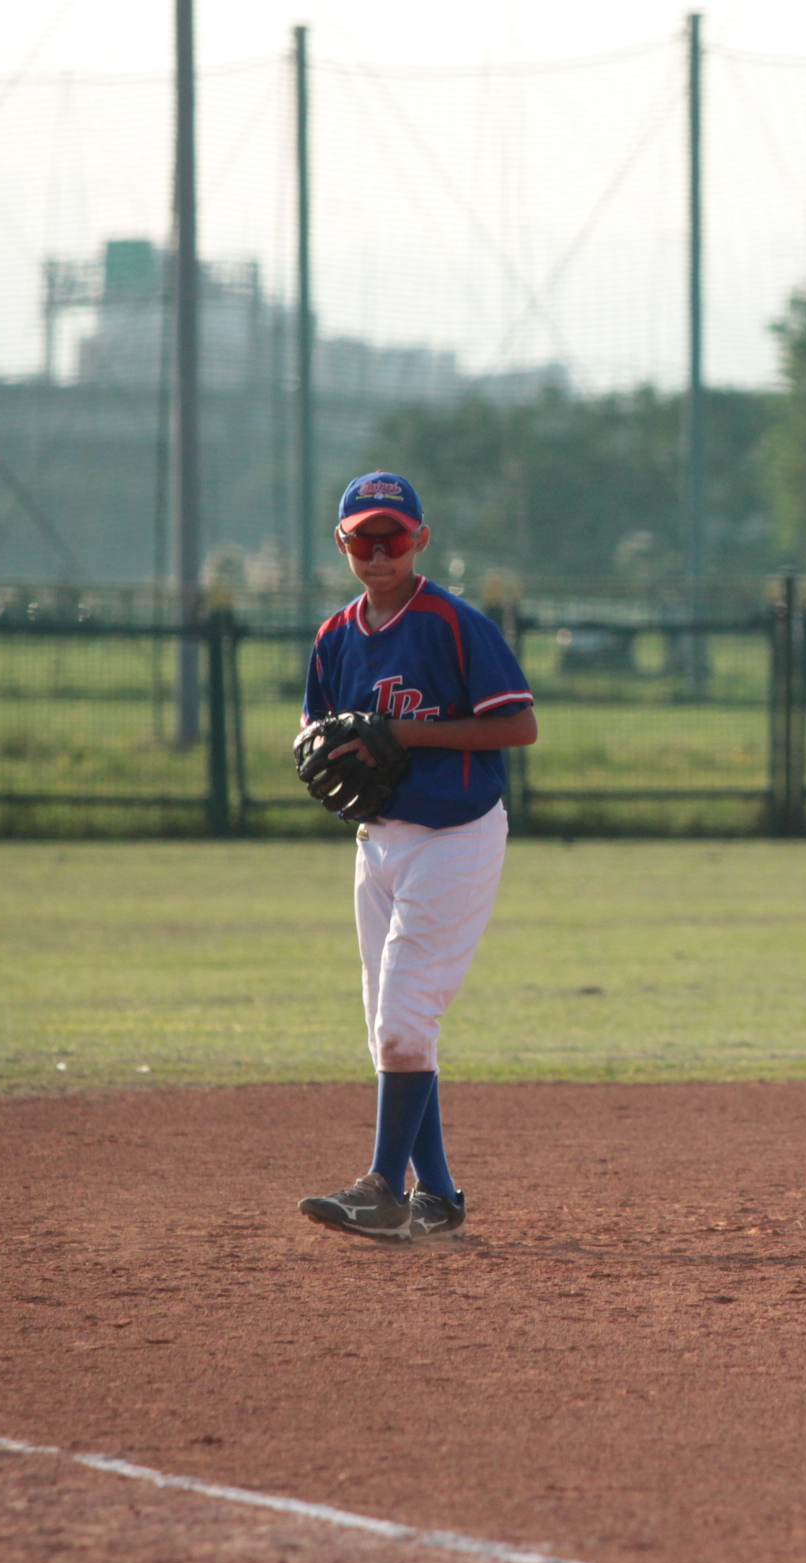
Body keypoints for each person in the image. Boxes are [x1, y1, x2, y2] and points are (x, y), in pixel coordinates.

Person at [296, 472, 538, 1242]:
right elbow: (315, 731)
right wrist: (323, 748)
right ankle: (436, 1194)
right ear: (341, 543)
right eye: (362, 539)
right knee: (393, 1030)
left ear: (420, 540)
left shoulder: (454, 625)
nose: (378, 553)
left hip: (455, 835)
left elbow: (519, 726)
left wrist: (405, 734)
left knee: (403, 1019)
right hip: (378, 840)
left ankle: (383, 1189)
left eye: (393, 537)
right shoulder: (334, 638)